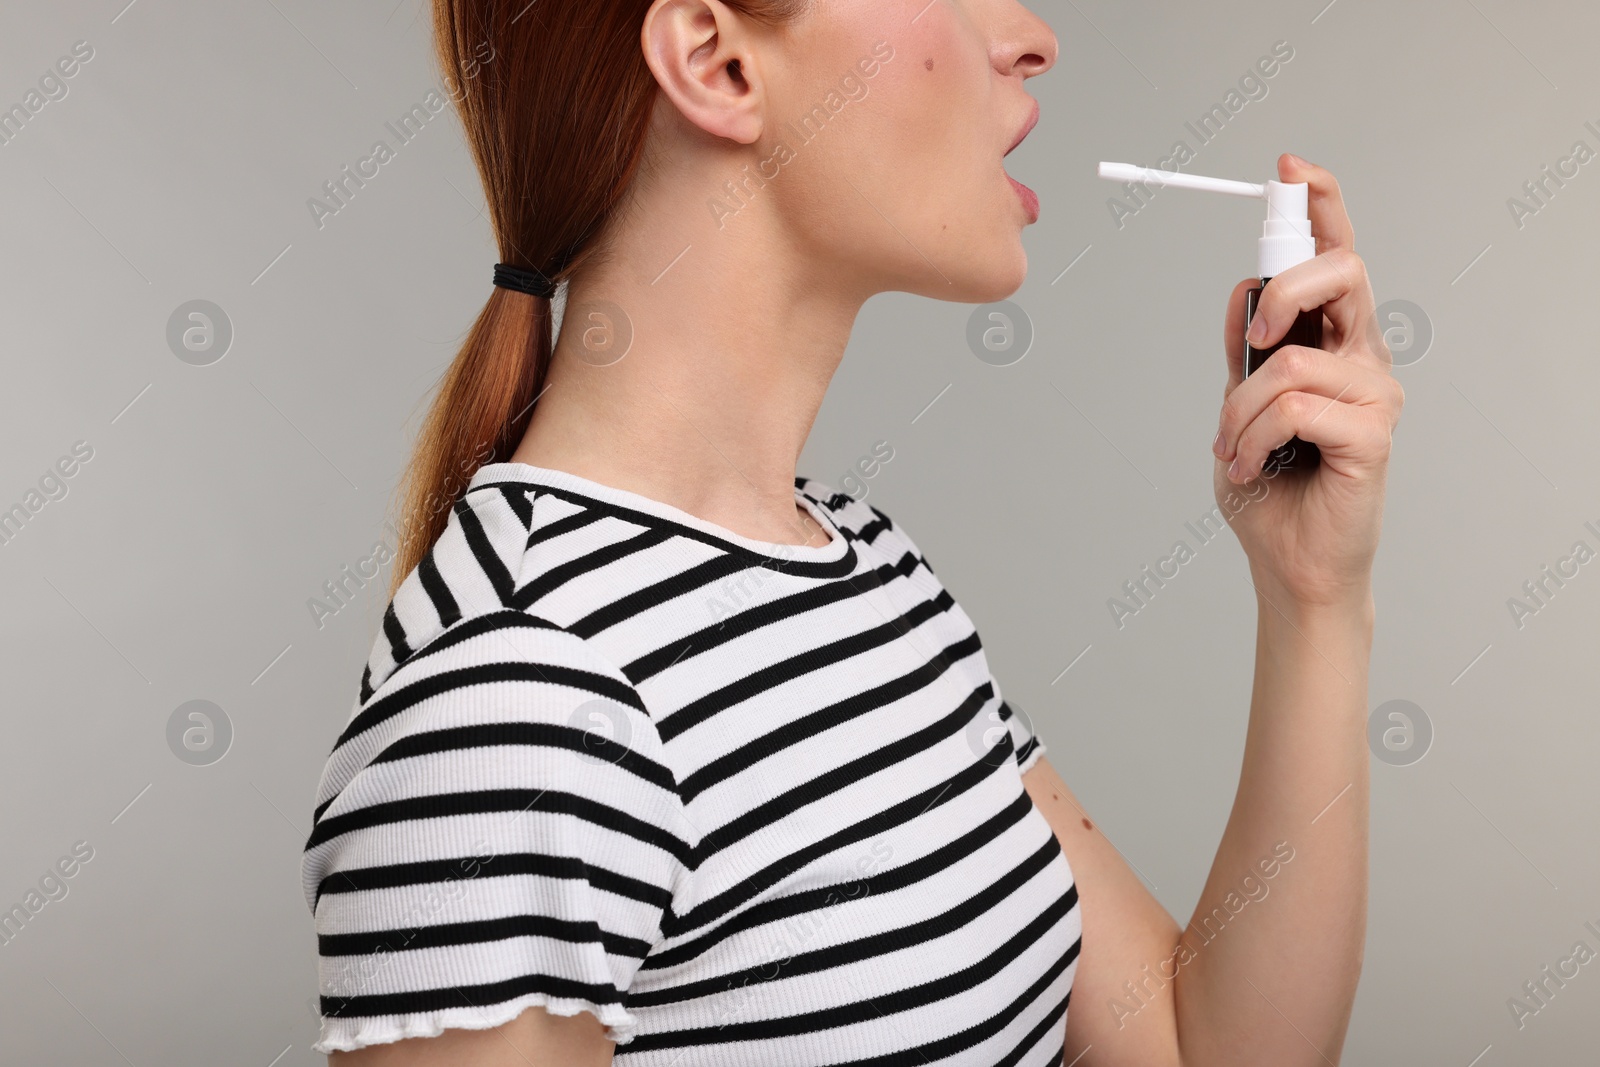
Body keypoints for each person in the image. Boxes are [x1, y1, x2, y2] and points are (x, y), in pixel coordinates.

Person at [300, 0, 1402, 1063]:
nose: (1032, 37)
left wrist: (1311, 595)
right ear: (717, 63)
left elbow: (1194, 1045)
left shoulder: (861, 565)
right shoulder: (520, 701)